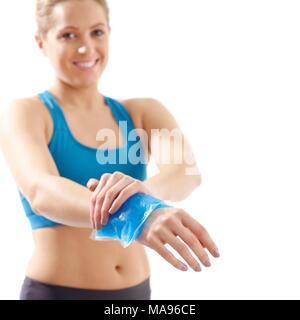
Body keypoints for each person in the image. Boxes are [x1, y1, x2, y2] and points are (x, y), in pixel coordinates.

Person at [0, 0, 220, 300]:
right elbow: (41, 191)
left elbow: (185, 171)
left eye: (97, 32)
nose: (86, 48)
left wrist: (142, 192)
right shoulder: (27, 112)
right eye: (68, 35)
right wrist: (138, 214)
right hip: (57, 293)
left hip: (136, 295)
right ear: (42, 42)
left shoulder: (143, 112)